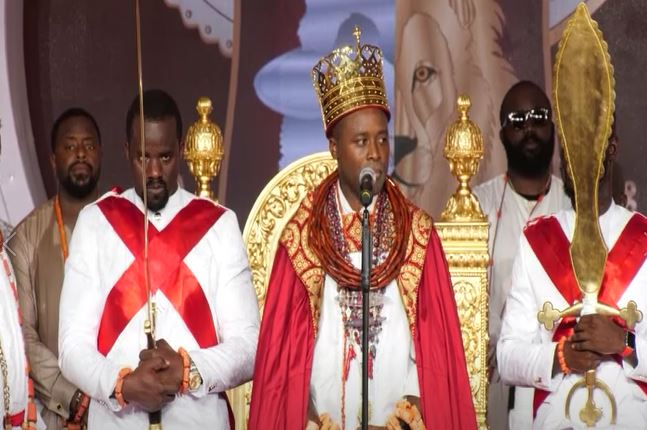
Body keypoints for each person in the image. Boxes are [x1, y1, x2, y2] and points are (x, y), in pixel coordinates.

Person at [249, 27, 475, 430]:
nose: (375, 153)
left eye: (382, 140)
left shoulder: (416, 235)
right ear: (334, 148)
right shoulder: (303, 238)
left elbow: (435, 359)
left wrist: (402, 418)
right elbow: (283, 369)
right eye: (360, 141)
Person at [57, 89, 259, 428]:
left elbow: (250, 346)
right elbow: (71, 345)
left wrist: (188, 370)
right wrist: (122, 384)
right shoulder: (96, 223)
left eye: (165, 157)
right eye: (142, 157)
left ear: (180, 149)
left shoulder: (219, 225)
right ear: (126, 151)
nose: (153, 171)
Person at [473, 81, 571, 429]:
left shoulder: (575, 205)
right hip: (494, 380)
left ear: (553, 130)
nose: (529, 128)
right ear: (502, 135)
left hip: (563, 377)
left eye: (538, 118)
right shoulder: (476, 206)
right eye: (517, 120)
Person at [10, 108, 102, 430]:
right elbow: (23, 333)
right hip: (59, 416)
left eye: (89, 145)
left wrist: (114, 391)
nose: (80, 153)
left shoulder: (125, 225)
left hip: (122, 407)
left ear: (101, 154)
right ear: (53, 159)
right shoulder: (26, 237)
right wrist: (73, 397)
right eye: (70, 145)